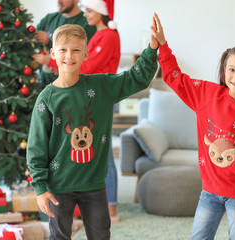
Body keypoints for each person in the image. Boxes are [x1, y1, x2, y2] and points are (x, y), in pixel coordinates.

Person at [150, 13, 235, 240]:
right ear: (224, 70)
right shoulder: (206, 95)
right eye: (231, 69)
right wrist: (163, 45)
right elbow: (174, 77)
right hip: (209, 192)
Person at [27, 24, 158, 240]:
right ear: (52, 53)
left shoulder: (101, 87)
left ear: (86, 53)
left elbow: (137, 77)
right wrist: (40, 187)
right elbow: (36, 145)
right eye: (63, 50)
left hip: (95, 184)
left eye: (76, 50)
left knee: (100, 235)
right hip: (58, 185)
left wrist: (152, 47)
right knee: (59, 236)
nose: (69, 56)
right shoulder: (46, 99)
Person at [80, 0, 120, 223]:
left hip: (101, 99)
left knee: (103, 152)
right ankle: (99, 204)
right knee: (93, 150)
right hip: (92, 98)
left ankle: (111, 207)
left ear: (101, 12)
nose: (85, 14)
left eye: (89, 10)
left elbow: (89, 66)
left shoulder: (108, 36)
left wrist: (55, 61)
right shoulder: (98, 35)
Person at [32, 0, 96, 84]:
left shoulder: (88, 24)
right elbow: (29, 40)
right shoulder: (49, 19)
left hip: (70, 88)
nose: (59, 2)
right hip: (41, 85)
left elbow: (88, 62)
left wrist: (49, 41)